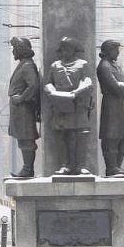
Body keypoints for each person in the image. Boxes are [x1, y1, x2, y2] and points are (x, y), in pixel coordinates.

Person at [42, 36, 94, 175]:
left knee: (80, 136)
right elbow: (48, 83)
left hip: (77, 105)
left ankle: (81, 165)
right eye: (63, 49)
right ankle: (65, 165)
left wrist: (76, 92)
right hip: (60, 105)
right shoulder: (55, 65)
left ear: (74, 50)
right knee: (61, 136)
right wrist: (52, 91)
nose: (65, 52)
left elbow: (88, 81)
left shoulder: (82, 64)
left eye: (68, 49)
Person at [96, 39, 124, 176]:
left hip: (120, 107)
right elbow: (115, 87)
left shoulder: (114, 66)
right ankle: (111, 167)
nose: (118, 53)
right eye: (116, 50)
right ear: (109, 51)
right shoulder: (104, 67)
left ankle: (117, 166)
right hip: (111, 107)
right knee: (111, 137)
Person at [7, 36, 40, 177]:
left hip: (24, 110)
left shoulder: (27, 66)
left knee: (26, 139)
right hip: (20, 110)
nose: (13, 51)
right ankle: (27, 169)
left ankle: (28, 169)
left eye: (15, 48)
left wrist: (21, 98)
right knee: (23, 139)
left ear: (21, 50)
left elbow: (33, 85)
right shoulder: (23, 64)